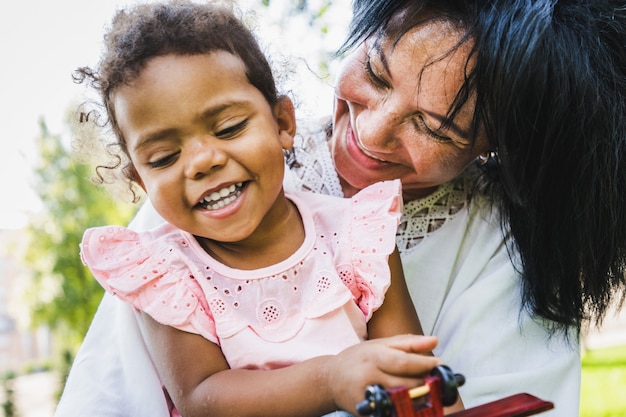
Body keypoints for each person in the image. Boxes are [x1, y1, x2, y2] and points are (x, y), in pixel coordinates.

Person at [56, 0, 626, 416]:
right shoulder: (183, 224)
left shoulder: (372, 237)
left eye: (434, 126)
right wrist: (333, 379)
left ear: (497, 145)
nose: (371, 134)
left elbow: (420, 382)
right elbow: (133, 398)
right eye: (376, 73)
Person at [68, 1, 441, 416]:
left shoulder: (358, 238)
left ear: (283, 123)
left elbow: (414, 373)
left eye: (228, 128)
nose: (201, 162)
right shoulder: (167, 273)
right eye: (163, 158)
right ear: (141, 181)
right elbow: (202, 399)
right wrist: (331, 379)